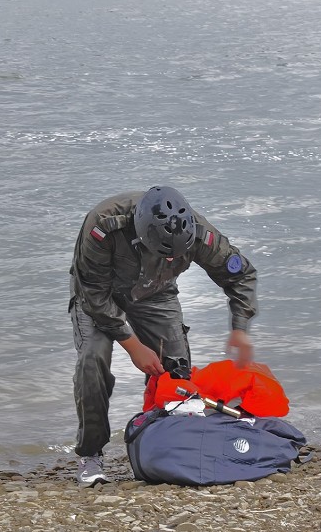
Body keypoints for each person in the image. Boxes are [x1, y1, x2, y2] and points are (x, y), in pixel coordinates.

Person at [69, 185, 257, 486]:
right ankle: (91, 454)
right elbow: (92, 293)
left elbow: (240, 274)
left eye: (177, 256)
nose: (171, 261)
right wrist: (132, 345)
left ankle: (163, 442)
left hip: (155, 293)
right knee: (93, 359)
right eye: (163, 254)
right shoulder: (105, 223)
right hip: (99, 294)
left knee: (177, 369)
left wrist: (240, 328)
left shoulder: (197, 233)